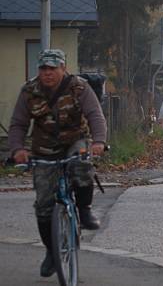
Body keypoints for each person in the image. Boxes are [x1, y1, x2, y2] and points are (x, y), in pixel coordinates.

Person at [8, 49, 107, 278]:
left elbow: (95, 115)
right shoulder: (29, 91)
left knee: (82, 164)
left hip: (75, 140)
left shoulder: (79, 87)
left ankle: (84, 210)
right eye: (44, 68)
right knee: (43, 205)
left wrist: (99, 142)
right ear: (38, 70)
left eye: (53, 68)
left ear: (63, 68)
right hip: (44, 149)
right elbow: (18, 124)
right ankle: (52, 251)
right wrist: (18, 149)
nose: (48, 73)